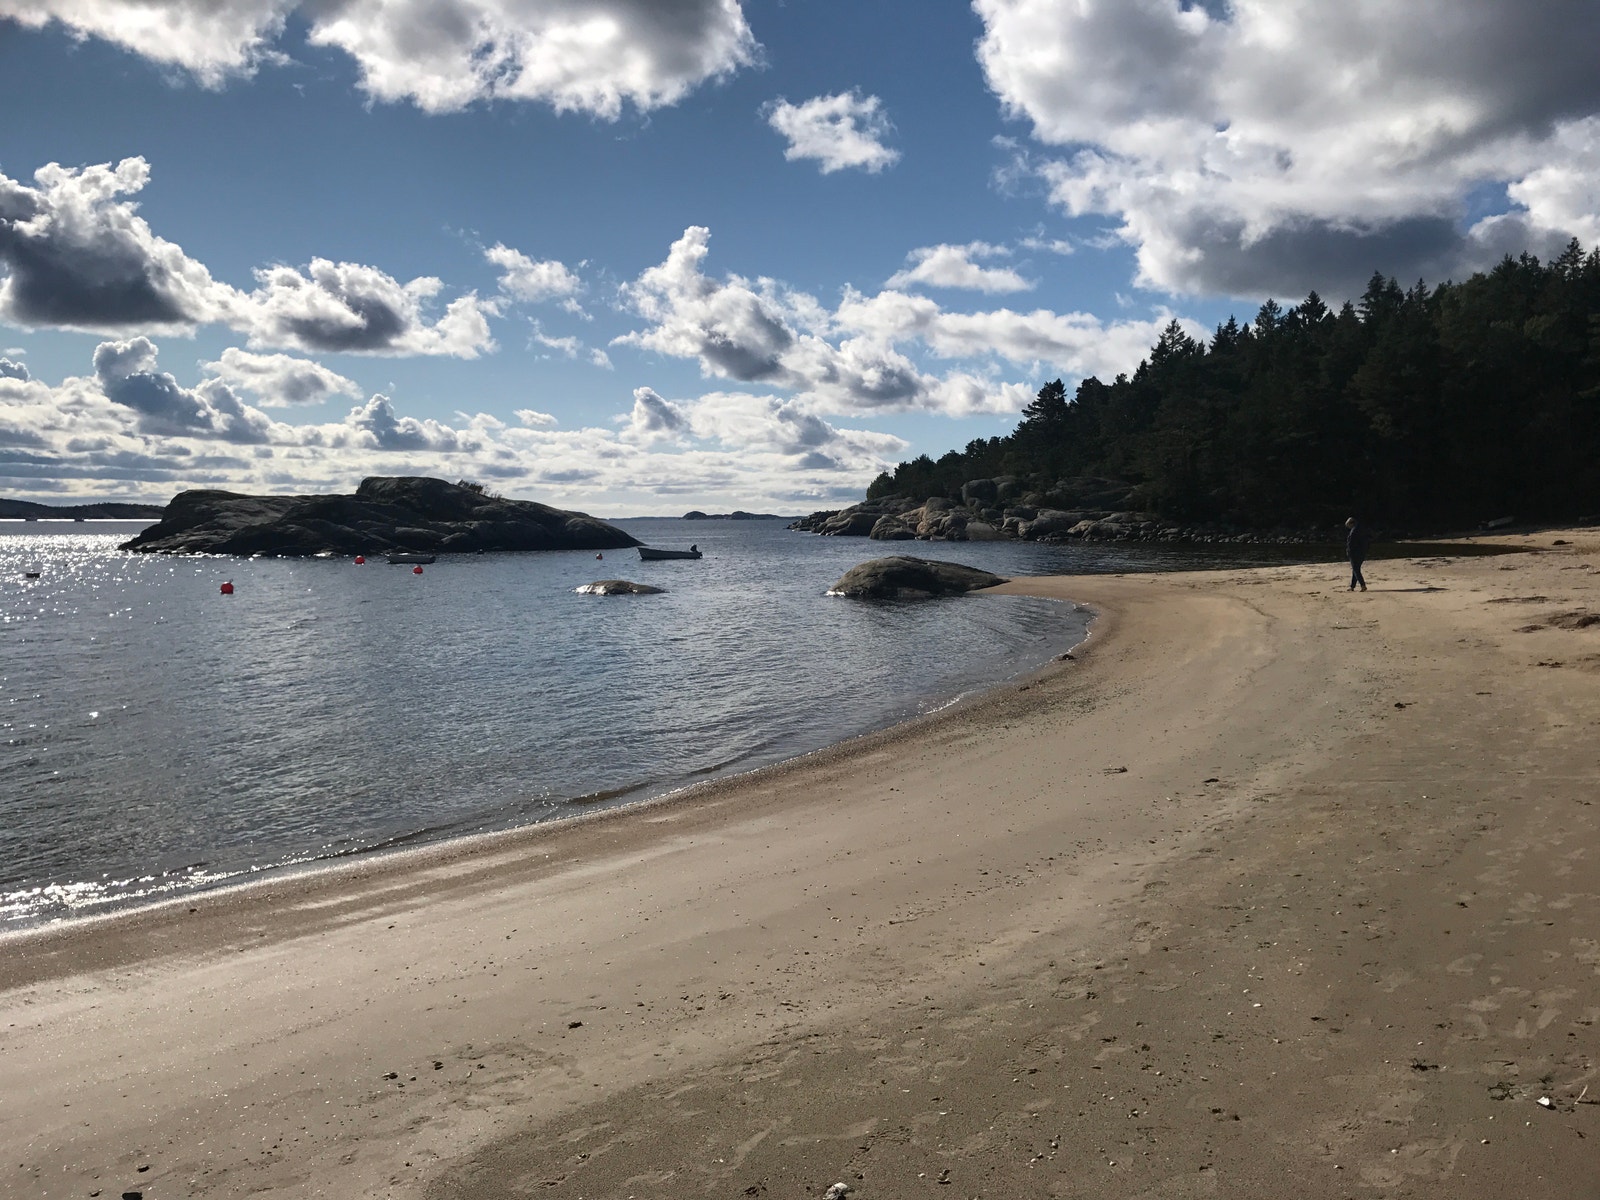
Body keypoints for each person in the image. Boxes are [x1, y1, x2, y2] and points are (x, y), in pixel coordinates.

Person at [1345, 517, 1370, 591]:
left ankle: (1362, 585)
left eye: (1348, 526)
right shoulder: (1361, 530)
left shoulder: (1354, 532)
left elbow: (1351, 544)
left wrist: (1348, 552)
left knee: (1356, 569)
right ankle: (1352, 586)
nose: (1348, 527)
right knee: (1355, 569)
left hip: (1354, 553)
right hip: (1362, 552)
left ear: (1351, 523)